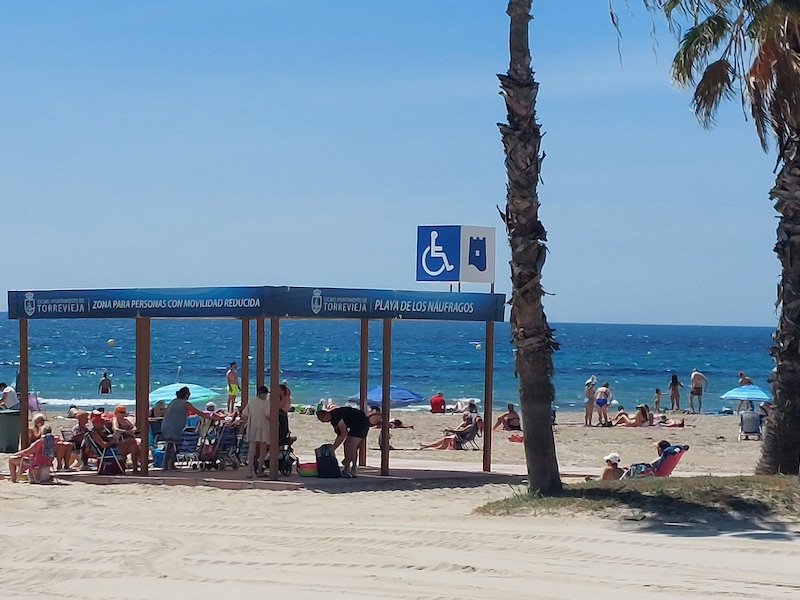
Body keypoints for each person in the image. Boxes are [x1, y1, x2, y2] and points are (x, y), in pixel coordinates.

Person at [161, 386, 221, 471]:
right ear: (186, 395)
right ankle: (169, 464)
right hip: (174, 427)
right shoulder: (185, 403)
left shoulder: (173, 401)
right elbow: (199, 412)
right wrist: (214, 417)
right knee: (174, 444)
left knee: (170, 444)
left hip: (166, 425)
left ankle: (167, 464)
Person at [316, 406, 370, 478]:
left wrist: (333, 448)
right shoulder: (333, 420)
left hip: (362, 422)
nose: (322, 421)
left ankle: (354, 469)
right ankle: (346, 468)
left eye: (321, 419)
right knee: (346, 444)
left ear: (325, 416)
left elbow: (344, 433)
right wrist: (333, 447)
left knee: (352, 445)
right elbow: (340, 435)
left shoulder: (336, 416)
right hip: (353, 425)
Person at [241, 385, 271, 478]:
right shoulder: (266, 403)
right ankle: (259, 470)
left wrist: (249, 421)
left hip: (252, 427)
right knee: (263, 449)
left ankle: (249, 472)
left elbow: (244, 415)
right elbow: (268, 414)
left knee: (251, 450)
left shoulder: (252, 402)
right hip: (263, 427)